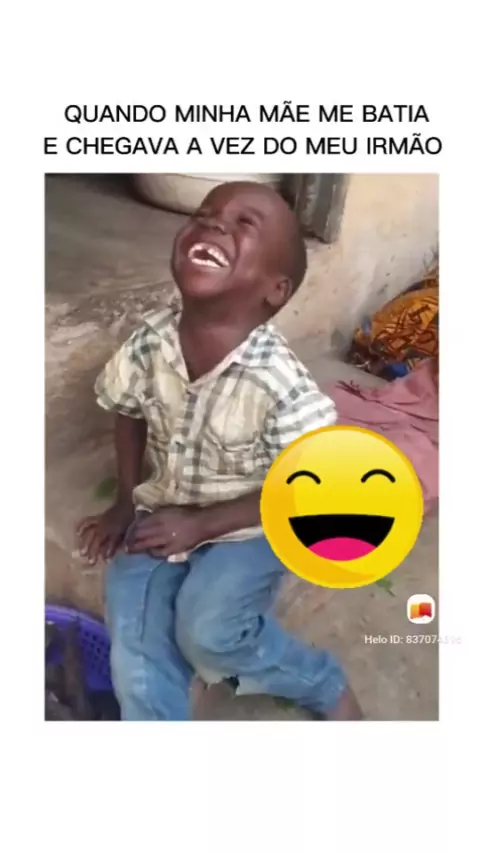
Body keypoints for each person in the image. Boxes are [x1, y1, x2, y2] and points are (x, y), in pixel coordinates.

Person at [77, 181, 362, 721]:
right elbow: (128, 409)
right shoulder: (150, 343)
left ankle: (320, 682)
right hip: (166, 508)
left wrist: (204, 525)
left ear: (274, 290)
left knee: (208, 632)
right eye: (205, 213)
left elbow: (311, 488)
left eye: (244, 224)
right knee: (133, 631)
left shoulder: (280, 383)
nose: (213, 223)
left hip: (255, 524)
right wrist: (125, 501)